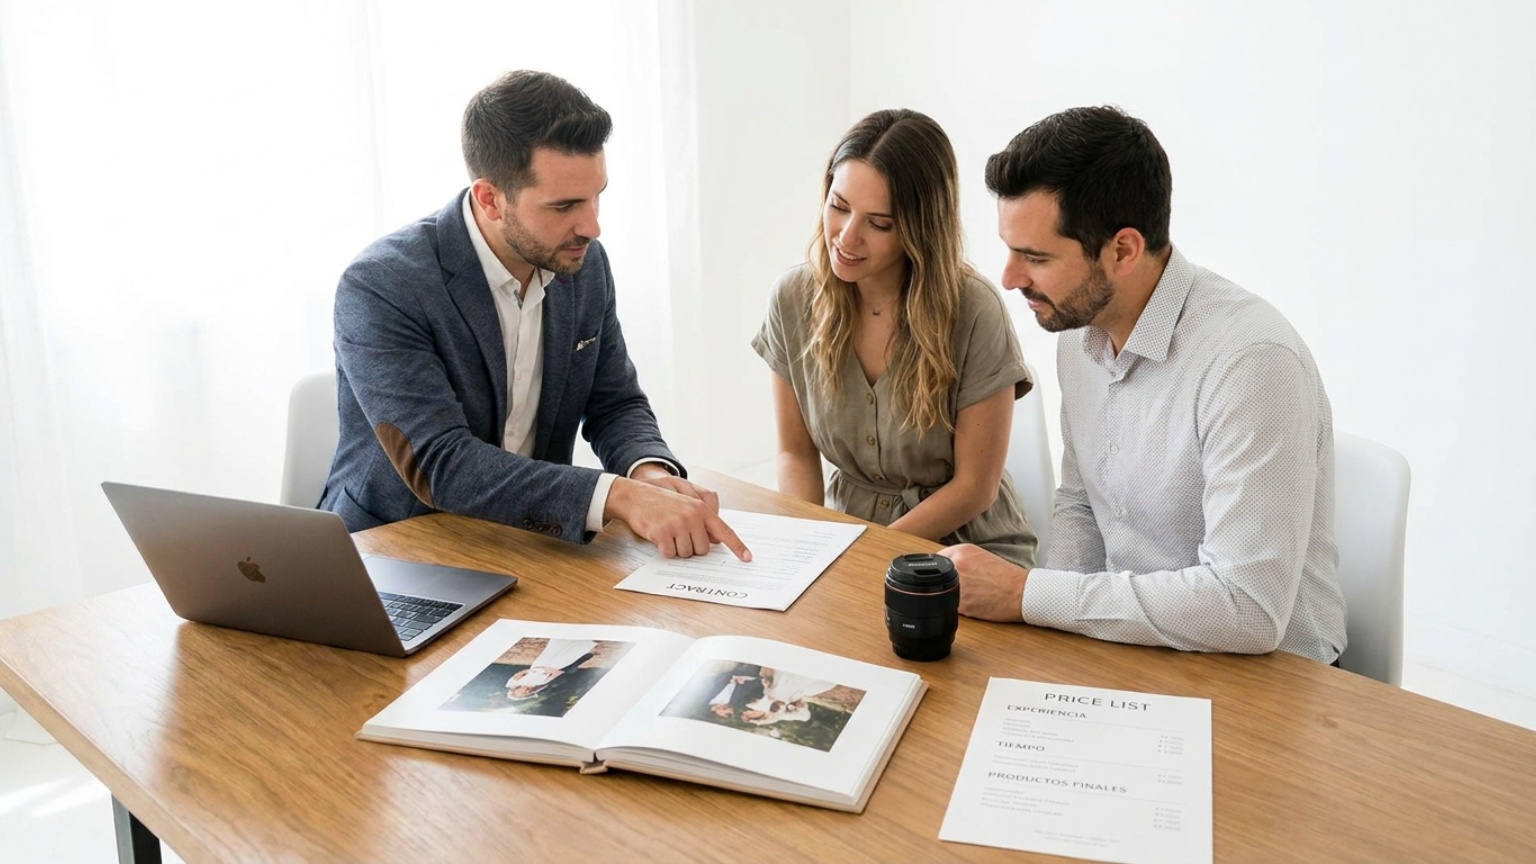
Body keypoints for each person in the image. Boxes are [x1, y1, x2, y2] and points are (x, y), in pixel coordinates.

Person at [941, 106, 1347, 663]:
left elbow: (1246, 608)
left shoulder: (1251, 362)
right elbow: (1082, 506)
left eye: (1035, 257)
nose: (1009, 278)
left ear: (1123, 250)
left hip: (1269, 676)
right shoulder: (1079, 332)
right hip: (1135, 650)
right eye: (1010, 249)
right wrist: (1047, 646)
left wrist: (1027, 595)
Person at [323, 70, 748, 561]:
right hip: (396, 549)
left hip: (532, 543)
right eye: (564, 206)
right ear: (490, 199)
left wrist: (646, 472)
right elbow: (441, 463)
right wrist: (619, 496)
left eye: (596, 195)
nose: (591, 226)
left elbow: (613, 401)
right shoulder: (383, 284)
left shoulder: (582, 264)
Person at [751, 109, 1038, 566]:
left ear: (920, 229)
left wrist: (862, 556)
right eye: (839, 206)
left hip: (965, 548)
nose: (847, 237)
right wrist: (808, 546)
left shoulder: (974, 310)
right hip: (845, 540)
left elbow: (974, 488)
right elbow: (795, 453)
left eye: (879, 223)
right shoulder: (792, 299)